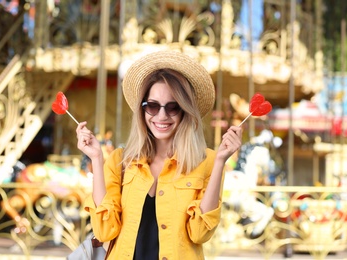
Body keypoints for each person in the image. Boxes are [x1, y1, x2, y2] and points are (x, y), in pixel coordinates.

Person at [76, 51, 242, 259]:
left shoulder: (206, 161)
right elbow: (104, 231)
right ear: (142, 110)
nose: (161, 116)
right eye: (153, 106)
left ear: (185, 111)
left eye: (172, 107)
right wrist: (96, 159)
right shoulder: (120, 161)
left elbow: (199, 233)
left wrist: (220, 162)